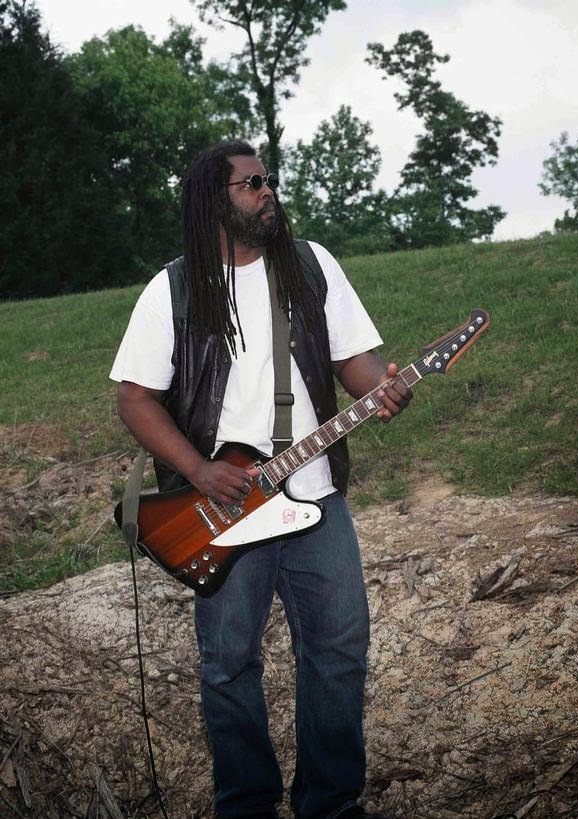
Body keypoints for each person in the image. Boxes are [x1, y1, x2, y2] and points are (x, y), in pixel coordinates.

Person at [110, 140, 412, 819]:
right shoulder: (174, 289)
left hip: (316, 499)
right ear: (214, 201)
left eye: (267, 180)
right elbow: (134, 398)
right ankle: (245, 804)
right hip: (225, 508)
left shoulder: (310, 264)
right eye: (250, 184)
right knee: (228, 664)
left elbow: (355, 362)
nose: (266, 191)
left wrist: (385, 387)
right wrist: (197, 469)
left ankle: (330, 802)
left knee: (339, 650)